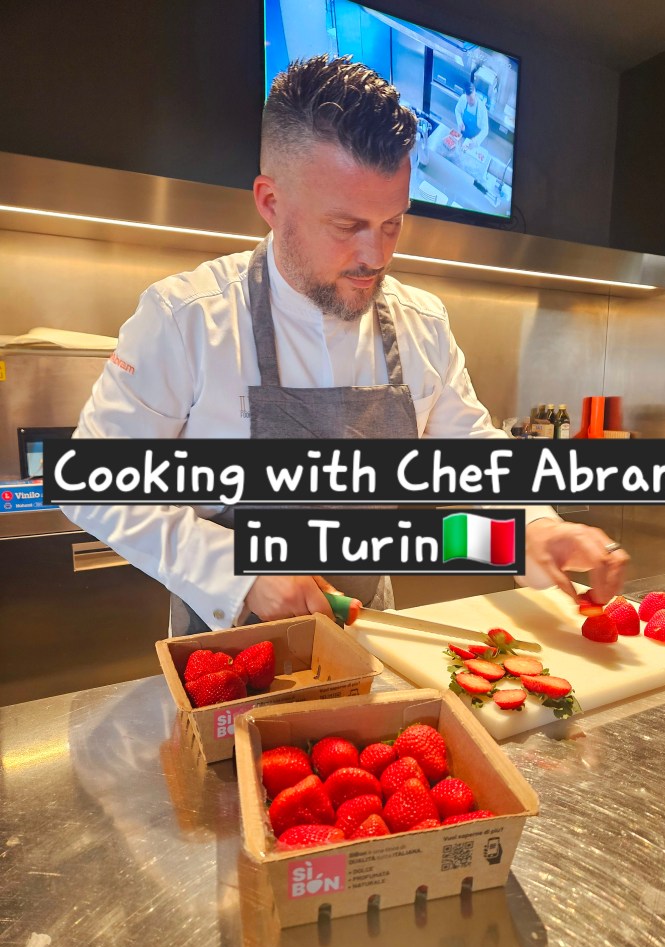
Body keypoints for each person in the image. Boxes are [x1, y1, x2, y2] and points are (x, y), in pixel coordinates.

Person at [62, 55, 627, 636]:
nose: (375, 256)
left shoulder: (421, 323)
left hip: (373, 639)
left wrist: (531, 526)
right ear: (270, 202)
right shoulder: (185, 318)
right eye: (346, 225)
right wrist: (241, 572)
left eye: (392, 224)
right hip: (230, 660)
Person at [454, 81, 489, 150]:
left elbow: (485, 129)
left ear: (475, 94)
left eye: (472, 100)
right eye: (468, 100)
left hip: (473, 144)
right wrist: (460, 122)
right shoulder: (463, 98)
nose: (470, 102)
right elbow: (457, 110)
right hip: (461, 136)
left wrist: (475, 140)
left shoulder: (482, 109)